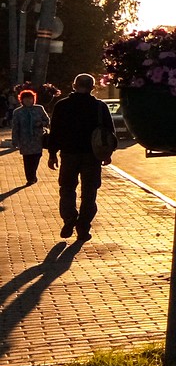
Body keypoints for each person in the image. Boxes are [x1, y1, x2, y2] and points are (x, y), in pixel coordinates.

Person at [45, 74, 116, 242]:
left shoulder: (62, 106)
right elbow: (109, 132)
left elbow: (54, 132)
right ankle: (83, 226)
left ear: (74, 85)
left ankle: (69, 218)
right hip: (92, 155)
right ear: (92, 87)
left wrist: (52, 154)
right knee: (89, 192)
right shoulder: (99, 107)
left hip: (69, 154)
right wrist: (107, 154)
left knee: (67, 188)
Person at [10, 89, 51, 184]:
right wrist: (14, 140)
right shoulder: (18, 112)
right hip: (25, 139)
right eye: (26, 99)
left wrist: (40, 123)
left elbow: (47, 120)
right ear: (22, 100)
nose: (28, 101)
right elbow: (15, 127)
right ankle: (30, 178)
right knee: (27, 159)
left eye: (30, 99)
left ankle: (33, 174)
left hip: (37, 138)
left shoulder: (39, 108)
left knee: (36, 157)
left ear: (34, 99)